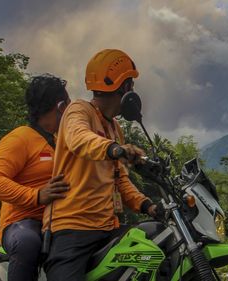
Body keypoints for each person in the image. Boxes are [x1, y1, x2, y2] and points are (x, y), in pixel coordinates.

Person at [42, 49, 157, 281]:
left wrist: (147, 206)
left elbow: (120, 179)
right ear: (124, 88)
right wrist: (113, 149)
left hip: (107, 227)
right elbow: (78, 138)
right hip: (71, 229)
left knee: (154, 257)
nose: (133, 91)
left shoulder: (115, 127)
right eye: (131, 84)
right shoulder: (78, 110)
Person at [0, 74, 71, 281]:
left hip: (61, 220)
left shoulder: (61, 142)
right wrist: (37, 195)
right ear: (60, 106)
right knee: (27, 243)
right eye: (68, 103)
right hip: (21, 223)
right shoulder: (20, 138)